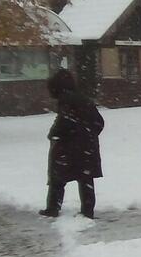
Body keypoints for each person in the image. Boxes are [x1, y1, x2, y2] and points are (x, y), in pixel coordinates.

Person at [39, 69, 105, 219]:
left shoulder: (66, 100)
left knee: (57, 177)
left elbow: (65, 121)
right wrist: (89, 136)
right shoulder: (84, 99)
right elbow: (99, 122)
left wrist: (55, 134)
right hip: (87, 147)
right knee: (85, 178)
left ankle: (53, 207)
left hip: (68, 147)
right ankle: (88, 210)